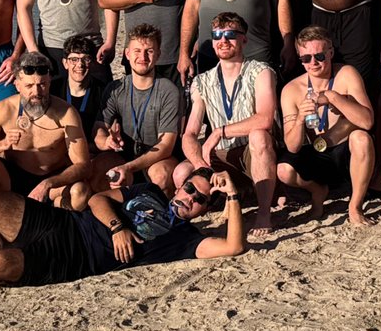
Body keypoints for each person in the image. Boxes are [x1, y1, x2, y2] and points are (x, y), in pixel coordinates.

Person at [0, 168, 245, 299]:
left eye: (200, 199)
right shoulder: (150, 191)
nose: (190, 198)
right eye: (189, 189)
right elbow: (98, 199)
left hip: (74, 260)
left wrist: (231, 194)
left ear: (205, 209)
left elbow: (234, 246)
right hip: (64, 225)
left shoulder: (185, 239)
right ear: (179, 186)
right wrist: (118, 227)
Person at [178, 12, 281, 233]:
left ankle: (263, 213)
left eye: (230, 35)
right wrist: (200, 165)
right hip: (222, 157)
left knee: (259, 135)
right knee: (180, 172)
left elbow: (265, 119)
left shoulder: (261, 71)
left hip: (251, 152)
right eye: (217, 35)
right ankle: (187, 224)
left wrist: (219, 132)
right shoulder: (202, 81)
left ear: (244, 39)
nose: (223, 40)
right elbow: (189, 134)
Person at [0, 51, 92, 204]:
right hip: (13, 179)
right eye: (29, 85)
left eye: (42, 85)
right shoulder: (4, 110)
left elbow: (84, 165)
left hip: (52, 180)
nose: (36, 92)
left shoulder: (66, 113)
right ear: (17, 84)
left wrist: (48, 184)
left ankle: (61, 224)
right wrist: (2, 145)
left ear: (49, 82)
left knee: (80, 191)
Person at [278, 26, 377, 225]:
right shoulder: (291, 89)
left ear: (330, 52)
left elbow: (367, 121)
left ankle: (355, 206)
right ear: (299, 57)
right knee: (283, 170)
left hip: (344, 150)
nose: (313, 63)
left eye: (319, 56)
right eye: (306, 58)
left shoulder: (346, 74)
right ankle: (317, 191)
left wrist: (333, 97)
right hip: (317, 150)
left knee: (361, 138)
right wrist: (299, 120)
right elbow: (292, 146)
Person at [92, 26, 184, 192]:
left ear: (158, 55)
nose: (143, 57)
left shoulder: (168, 90)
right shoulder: (116, 88)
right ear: (127, 54)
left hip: (157, 158)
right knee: (99, 167)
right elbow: (99, 130)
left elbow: (166, 146)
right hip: (125, 154)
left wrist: (129, 167)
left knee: (161, 175)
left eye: (149, 51)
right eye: (137, 51)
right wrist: (106, 141)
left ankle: (155, 213)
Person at [60, 33, 113, 140]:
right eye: (74, 59)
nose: (80, 64)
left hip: (93, 148)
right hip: (60, 149)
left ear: (92, 63)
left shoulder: (104, 92)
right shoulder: (53, 89)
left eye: (86, 59)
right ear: (65, 63)